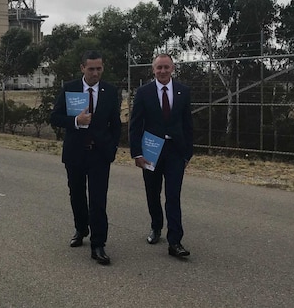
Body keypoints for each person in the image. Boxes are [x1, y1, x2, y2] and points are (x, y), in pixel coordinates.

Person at [50, 50, 121, 265]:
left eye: (99, 68)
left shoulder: (110, 91)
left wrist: (112, 149)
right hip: (75, 153)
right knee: (77, 196)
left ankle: (98, 244)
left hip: (100, 155)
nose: (95, 73)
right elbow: (55, 117)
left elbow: (115, 124)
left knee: (98, 200)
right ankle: (81, 229)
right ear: (82, 68)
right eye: (91, 69)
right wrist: (75, 121)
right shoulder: (69, 88)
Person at [129, 53, 194, 258]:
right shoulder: (144, 92)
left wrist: (187, 154)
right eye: (159, 68)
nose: (163, 71)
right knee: (153, 193)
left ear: (173, 68)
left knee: (173, 196)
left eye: (166, 67)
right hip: (150, 151)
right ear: (153, 70)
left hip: (175, 152)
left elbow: (188, 125)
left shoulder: (183, 91)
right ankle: (156, 227)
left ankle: (175, 241)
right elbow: (135, 125)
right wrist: (137, 153)